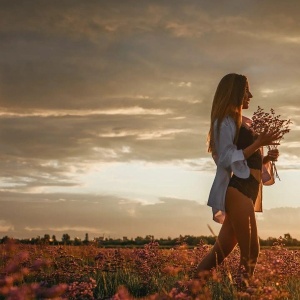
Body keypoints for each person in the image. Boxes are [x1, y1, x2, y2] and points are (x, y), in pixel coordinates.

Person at [196, 73, 280, 280]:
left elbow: (245, 159)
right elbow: (226, 158)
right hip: (238, 189)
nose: (250, 95)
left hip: (249, 188)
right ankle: (243, 293)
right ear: (234, 93)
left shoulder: (243, 122)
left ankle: (189, 290)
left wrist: (266, 156)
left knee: (220, 251)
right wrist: (258, 144)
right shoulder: (223, 121)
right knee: (251, 252)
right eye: (245, 91)